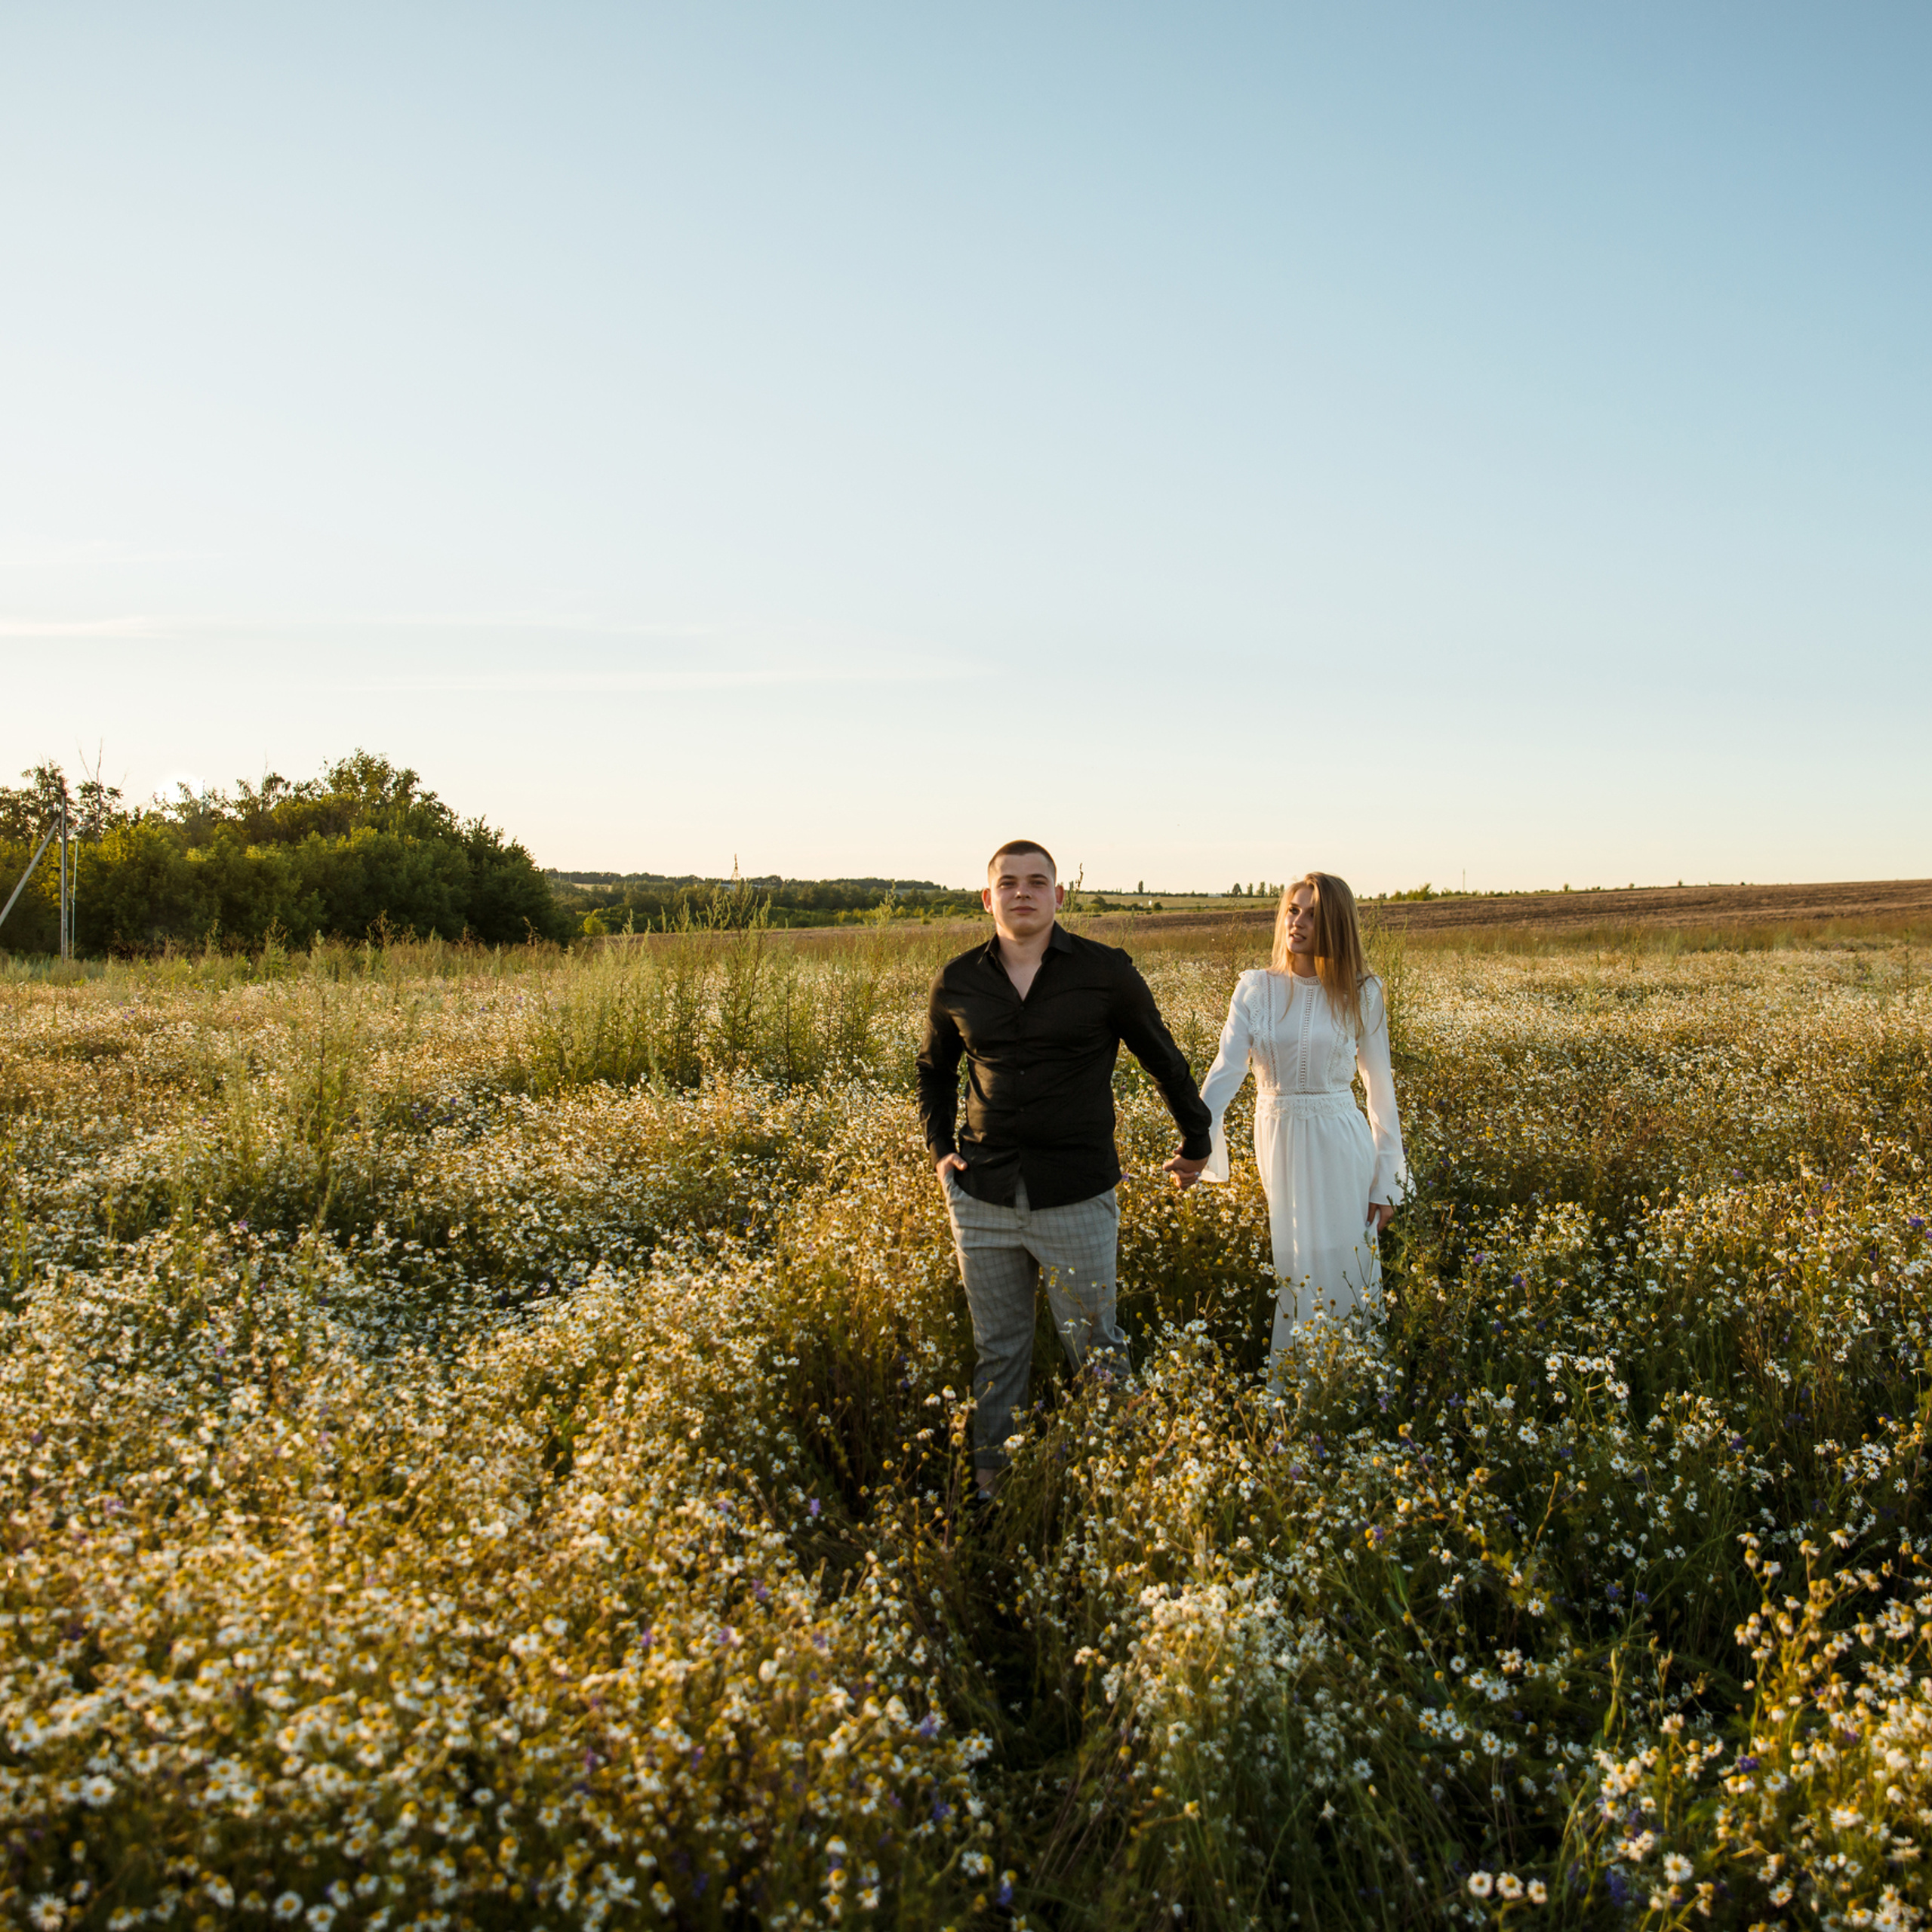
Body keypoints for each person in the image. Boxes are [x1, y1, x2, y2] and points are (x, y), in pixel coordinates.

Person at [917, 841, 1213, 1493]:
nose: (1023, 893)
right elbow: (934, 1072)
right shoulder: (959, 979)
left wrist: (1198, 1140)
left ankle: (1128, 1486)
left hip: (1076, 1195)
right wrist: (942, 1153)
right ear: (987, 897)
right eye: (1009, 883)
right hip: (983, 1195)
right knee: (999, 1352)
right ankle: (992, 1493)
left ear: (1059, 895)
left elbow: (1164, 1060)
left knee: (1098, 1347)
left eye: (1037, 882)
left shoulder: (1106, 973)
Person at [1198, 871, 1407, 1357]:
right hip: (1280, 1137)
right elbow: (1225, 1072)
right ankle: (1298, 1386)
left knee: (1347, 1260)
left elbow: (1380, 1087)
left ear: (1336, 924)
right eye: (1293, 909)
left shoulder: (1363, 990)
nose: (1298, 921)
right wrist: (1197, 1141)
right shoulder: (1254, 987)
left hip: (1342, 1140)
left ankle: (1352, 1385)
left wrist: (1389, 1182)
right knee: (1296, 1262)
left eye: (1313, 914)